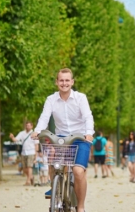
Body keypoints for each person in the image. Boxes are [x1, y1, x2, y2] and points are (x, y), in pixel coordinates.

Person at [31, 68, 94, 212]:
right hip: (61, 138)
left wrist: (89, 133)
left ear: (72, 82)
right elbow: (45, 116)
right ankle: (55, 187)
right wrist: (37, 131)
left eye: (67, 80)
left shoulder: (80, 98)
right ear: (56, 82)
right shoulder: (51, 99)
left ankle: (81, 207)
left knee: (78, 171)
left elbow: (87, 117)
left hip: (80, 137)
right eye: (61, 80)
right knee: (53, 160)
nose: (64, 83)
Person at [9, 121, 38, 186]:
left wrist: (36, 155)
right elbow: (16, 139)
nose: (27, 127)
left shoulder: (34, 134)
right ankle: (31, 177)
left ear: (31, 126)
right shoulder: (22, 133)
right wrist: (12, 137)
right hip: (24, 152)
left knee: (29, 166)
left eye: (29, 125)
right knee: (24, 168)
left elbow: (36, 145)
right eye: (26, 125)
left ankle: (28, 181)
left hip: (31, 152)